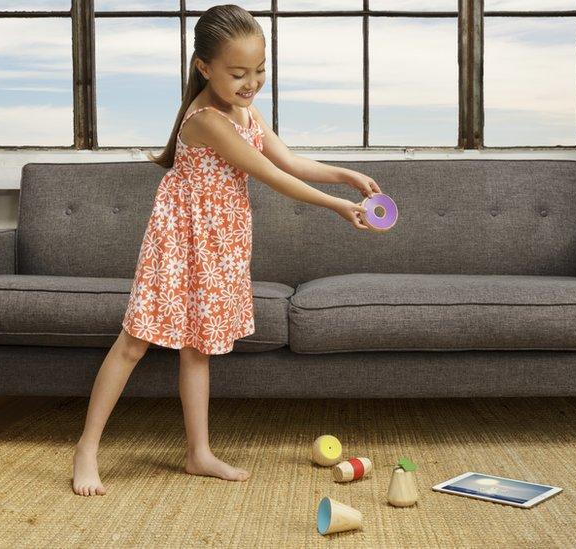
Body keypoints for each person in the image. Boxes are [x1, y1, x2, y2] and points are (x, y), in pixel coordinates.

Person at [72, 3, 381, 496]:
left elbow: (289, 159)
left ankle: (199, 453)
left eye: (259, 71)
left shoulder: (245, 111)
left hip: (221, 240)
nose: (251, 82)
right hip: (180, 237)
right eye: (238, 73)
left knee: (199, 346)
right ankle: (87, 448)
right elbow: (272, 176)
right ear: (204, 68)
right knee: (135, 340)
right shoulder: (207, 120)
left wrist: (346, 174)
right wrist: (339, 207)